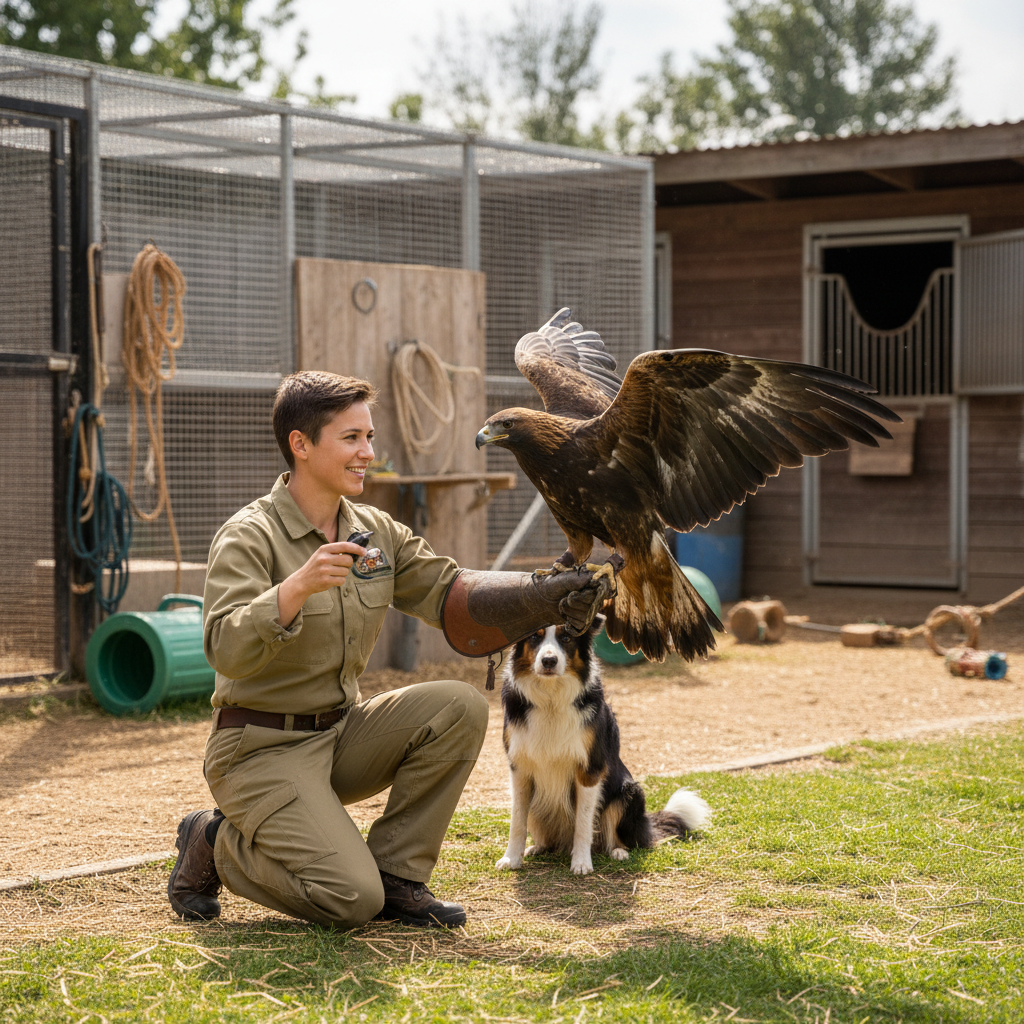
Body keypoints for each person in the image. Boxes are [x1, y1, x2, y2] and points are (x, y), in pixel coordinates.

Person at [167, 370, 614, 929]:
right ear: (300, 444)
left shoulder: (376, 532)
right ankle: (212, 841)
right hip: (259, 749)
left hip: (339, 734)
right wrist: (294, 589)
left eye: (370, 437)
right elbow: (224, 649)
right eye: (351, 438)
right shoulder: (249, 535)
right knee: (352, 899)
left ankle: (399, 876)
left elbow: (451, 594)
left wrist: (542, 598)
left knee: (460, 706)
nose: (368, 453)